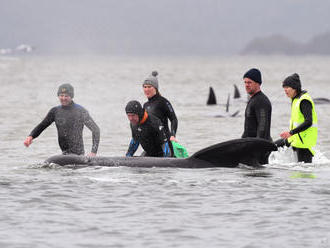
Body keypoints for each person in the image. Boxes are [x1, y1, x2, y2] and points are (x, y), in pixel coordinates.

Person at [23, 83, 100, 156]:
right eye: (61, 95)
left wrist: (93, 152)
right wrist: (31, 136)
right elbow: (42, 126)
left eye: (66, 96)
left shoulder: (80, 111)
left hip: (78, 156)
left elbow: (96, 130)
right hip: (64, 154)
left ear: (71, 96)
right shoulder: (55, 111)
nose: (63, 98)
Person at [276, 73, 318, 163]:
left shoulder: (304, 100)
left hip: (304, 143)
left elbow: (308, 122)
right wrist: (291, 134)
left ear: (295, 88)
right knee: (272, 146)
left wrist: (291, 132)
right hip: (295, 139)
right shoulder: (295, 99)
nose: (285, 90)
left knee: (303, 174)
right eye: (284, 87)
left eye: (287, 87)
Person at [142, 71, 178, 155]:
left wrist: (173, 135)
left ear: (155, 88)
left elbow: (173, 119)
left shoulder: (163, 102)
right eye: (144, 87)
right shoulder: (145, 105)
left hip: (165, 143)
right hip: (152, 145)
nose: (146, 89)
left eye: (149, 87)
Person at [242, 68, 272, 141]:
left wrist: (258, 147)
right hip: (250, 145)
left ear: (258, 83)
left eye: (249, 82)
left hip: (259, 147)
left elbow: (262, 127)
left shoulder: (261, 101)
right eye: (245, 82)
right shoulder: (253, 99)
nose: (246, 85)